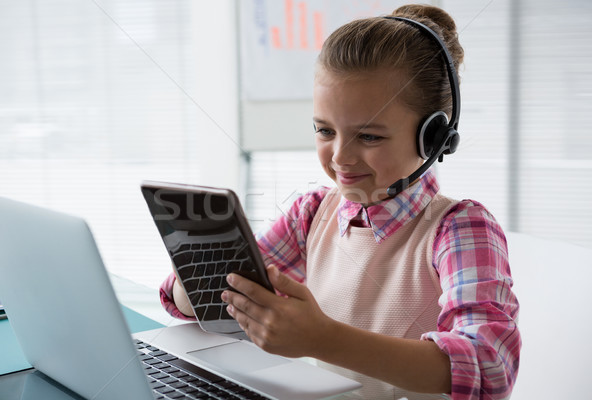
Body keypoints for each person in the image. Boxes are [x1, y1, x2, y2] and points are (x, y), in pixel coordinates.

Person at [159, 4, 521, 399]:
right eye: (325, 130)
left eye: (369, 136)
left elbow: (489, 369)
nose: (340, 157)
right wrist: (197, 278)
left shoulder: (460, 229)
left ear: (432, 138)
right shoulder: (312, 213)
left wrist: (323, 339)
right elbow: (192, 303)